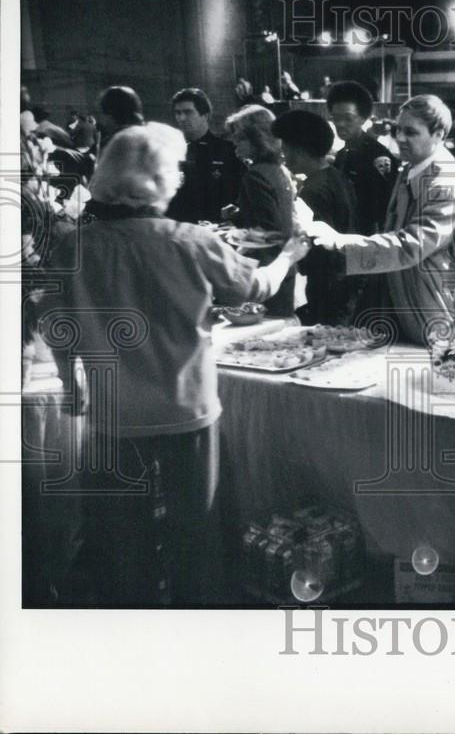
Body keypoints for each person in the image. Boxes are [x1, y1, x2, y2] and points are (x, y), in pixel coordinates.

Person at [35, 122, 310, 605]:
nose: (181, 176)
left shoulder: (74, 246)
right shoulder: (189, 240)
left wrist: (70, 387)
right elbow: (253, 288)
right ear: (157, 179)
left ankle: (134, 620)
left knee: (123, 540)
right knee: (196, 533)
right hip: (186, 409)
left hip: (114, 413)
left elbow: (58, 324)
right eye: (177, 168)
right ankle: (193, 620)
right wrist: (289, 255)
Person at [305, 94, 455, 345]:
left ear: (438, 134)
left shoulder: (444, 182)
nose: (400, 138)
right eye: (397, 130)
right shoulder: (412, 167)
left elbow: (410, 245)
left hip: (430, 311)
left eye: (411, 132)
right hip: (407, 304)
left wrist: (340, 242)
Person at [271, 108, 360, 325]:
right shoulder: (336, 177)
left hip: (325, 287)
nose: (283, 154)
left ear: (300, 150)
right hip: (347, 278)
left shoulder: (313, 190)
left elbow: (315, 249)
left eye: (285, 147)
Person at [225, 104, 297, 316]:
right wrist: (239, 214)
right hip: (285, 264)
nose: (234, 143)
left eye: (240, 138)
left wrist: (235, 234)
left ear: (258, 138)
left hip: (266, 268)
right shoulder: (279, 169)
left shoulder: (255, 175)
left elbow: (270, 230)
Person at [326, 80, 398, 236]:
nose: (340, 124)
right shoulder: (342, 154)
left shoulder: (377, 155)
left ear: (363, 119)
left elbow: (385, 209)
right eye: (336, 118)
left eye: (348, 118)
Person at [166, 88, 244, 224]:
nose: (181, 118)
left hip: (218, 228)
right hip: (180, 228)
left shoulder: (228, 151)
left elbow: (241, 195)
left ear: (205, 115)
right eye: (178, 113)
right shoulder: (170, 152)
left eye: (188, 112)